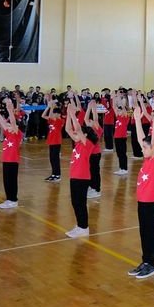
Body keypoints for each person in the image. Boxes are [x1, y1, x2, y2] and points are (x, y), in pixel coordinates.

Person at [129, 99, 154, 278]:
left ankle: (152, 264)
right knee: (143, 232)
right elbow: (140, 138)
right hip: (141, 202)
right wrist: (137, 120)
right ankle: (145, 261)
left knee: (150, 232)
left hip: (151, 202)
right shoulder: (147, 158)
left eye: (145, 147)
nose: (142, 149)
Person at [64, 102, 98, 238]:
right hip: (74, 176)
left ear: (84, 134)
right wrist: (68, 114)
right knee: (75, 202)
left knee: (80, 202)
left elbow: (77, 128)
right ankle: (80, 225)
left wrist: (72, 113)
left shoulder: (87, 144)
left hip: (82, 177)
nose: (75, 133)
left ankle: (84, 227)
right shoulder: (78, 143)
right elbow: (68, 129)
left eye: (78, 133)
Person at [0, 96, 23, 209]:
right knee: (6, 180)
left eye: (9, 125)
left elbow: (13, 123)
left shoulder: (16, 134)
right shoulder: (8, 134)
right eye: (8, 125)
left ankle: (13, 200)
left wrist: (10, 110)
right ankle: (9, 199)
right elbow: (1, 121)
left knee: (12, 180)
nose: (7, 126)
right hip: (6, 160)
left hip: (13, 161)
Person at [42, 98, 63, 182]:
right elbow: (43, 116)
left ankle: (57, 175)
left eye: (55, 113)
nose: (53, 115)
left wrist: (51, 107)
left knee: (55, 159)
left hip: (56, 142)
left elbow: (50, 116)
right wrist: (48, 107)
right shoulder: (52, 120)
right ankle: (53, 174)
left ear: (58, 114)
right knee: (51, 158)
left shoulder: (60, 120)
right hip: (51, 141)